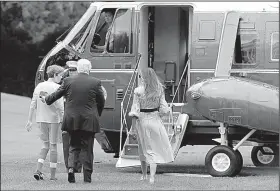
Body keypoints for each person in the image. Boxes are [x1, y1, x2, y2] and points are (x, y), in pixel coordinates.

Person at [41, 59, 105, 183]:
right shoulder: (95, 82)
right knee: (87, 148)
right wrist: (97, 114)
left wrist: (46, 99)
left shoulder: (68, 81)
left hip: (72, 119)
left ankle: (71, 169)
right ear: (89, 69)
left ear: (78, 69)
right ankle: (87, 178)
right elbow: (101, 101)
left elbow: (56, 95)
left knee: (73, 146)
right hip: (89, 119)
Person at [128, 68, 174, 184]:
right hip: (155, 120)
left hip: (142, 121)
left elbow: (135, 111)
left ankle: (144, 175)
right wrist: (160, 115)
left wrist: (133, 129)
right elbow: (164, 109)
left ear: (143, 78)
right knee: (154, 149)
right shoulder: (159, 90)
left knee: (143, 149)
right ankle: (152, 176)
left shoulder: (138, 91)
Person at [25, 65, 65, 181]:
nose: (61, 78)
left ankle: (38, 170)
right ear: (55, 75)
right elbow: (60, 108)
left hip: (41, 119)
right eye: (60, 75)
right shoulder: (58, 87)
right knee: (53, 146)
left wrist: (29, 120)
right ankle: (52, 176)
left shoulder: (39, 86)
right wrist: (63, 121)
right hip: (54, 120)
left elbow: (33, 103)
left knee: (45, 145)